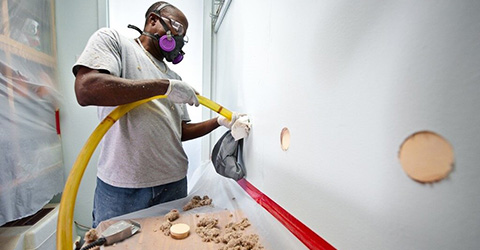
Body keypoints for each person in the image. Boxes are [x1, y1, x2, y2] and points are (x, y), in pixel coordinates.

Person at [73, 1, 240, 228]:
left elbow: (179, 132)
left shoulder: (174, 78)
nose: (179, 39)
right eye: (177, 28)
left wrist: (219, 121)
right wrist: (164, 87)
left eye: (184, 36)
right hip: (123, 187)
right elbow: (86, 89)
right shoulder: (115, 43)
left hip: (173, 184)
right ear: (153, 20)